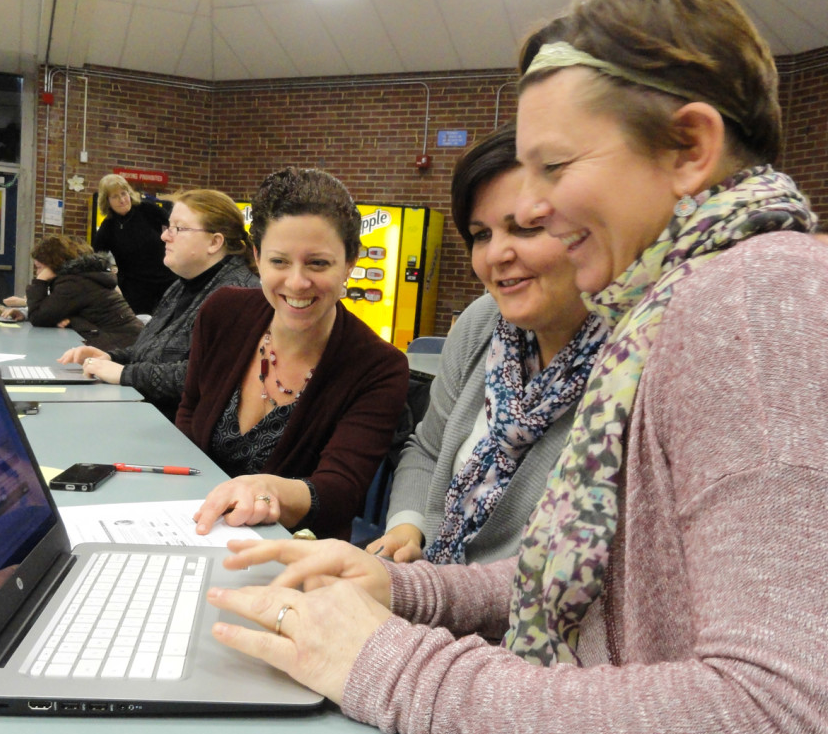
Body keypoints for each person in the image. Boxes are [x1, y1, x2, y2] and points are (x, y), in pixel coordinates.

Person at [203, 0, 828, 734]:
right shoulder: (665, 308)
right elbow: (604, 586)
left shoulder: (751, 297)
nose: (531, 212)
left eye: (556, 169)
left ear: (689, 148)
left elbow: (782, 717)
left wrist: (385, 663)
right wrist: (404, 589)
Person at [367, 127, 606, 564]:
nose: (496, 254)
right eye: (481, 234)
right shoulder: (482, 322)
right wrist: (407, 525)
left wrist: (423, 593)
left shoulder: (630, 369)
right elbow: (427, 449)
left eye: (527, 228)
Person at [179, 167, 410, 541]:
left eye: (318, 263)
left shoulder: (379, 367)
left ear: (350, 262)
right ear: (256, 256)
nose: (297, 282)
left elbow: (339, 490)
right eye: (279, 261)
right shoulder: (222, 313)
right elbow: (190, 412)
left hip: (296, 553)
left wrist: (265, 492)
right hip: (195, 526)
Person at [57, 189, 260, 420]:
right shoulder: (182, 285)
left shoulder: (239, 295)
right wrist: (112, 358)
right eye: (168, 227)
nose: (164, 236)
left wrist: (125, 373)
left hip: (181, 436)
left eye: (178, 228)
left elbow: (202, 377)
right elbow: (155, 351)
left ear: (214, 242)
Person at [24, 233, 143, 352]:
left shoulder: (74, 283)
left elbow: (38, 317)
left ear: (53, 265)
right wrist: (73, 320)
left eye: (39, 267)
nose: (38, 273)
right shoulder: (83, 278)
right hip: (130, 342)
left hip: (124, 348)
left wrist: (40, 282)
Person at [93, 174, 175, 315]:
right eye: (115, 197)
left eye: (124, 194)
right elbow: (95, 256)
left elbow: (174, 224)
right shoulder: (108, 227)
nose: (122, 200)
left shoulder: (147, 209)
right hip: (135, 289)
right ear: (107, 201)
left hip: (167, 280)